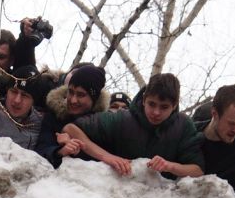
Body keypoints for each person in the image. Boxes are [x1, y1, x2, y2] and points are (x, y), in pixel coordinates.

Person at [58, 72, 204, 179]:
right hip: (119, 193)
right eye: (152, 104)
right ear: (144, 99)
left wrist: (169, 166)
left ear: (174, 106)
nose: (156, 112)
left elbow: (197, 170)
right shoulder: (122, 119)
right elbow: (70, 128)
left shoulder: (184, 125)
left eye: (164, 107)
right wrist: (108, 157)